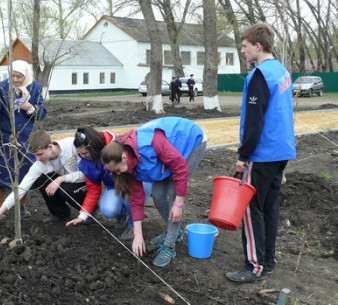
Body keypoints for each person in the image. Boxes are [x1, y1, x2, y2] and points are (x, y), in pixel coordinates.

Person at [225, 23, 295, 283]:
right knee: (269, 207)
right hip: (282, 149)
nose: (242, 50)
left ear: (258, 46)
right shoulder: (281, 71)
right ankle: (269, 260)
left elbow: (255, 121)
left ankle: (255, 266)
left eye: (244, 46)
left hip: (263, 153)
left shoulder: (259, 75)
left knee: (250, 207)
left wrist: (244, 156)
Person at [102, 117, 207, 267]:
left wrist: (178, 203)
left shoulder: (150, 144)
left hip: (191, 141)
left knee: (173, 194)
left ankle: (169, 245)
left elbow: (180, 168)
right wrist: (138, 236)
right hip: (167, 153)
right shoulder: (128, 164)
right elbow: (137, 199)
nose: (117, 174)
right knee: (157, 195)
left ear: (124, 157)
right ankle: (173, 231)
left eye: (117, 170)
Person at [0, 130, 86, 229]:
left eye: (40, 154)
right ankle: (61, 214)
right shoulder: (40, 164)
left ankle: (89, 211)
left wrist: (61, 179)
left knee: (65, 188)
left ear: (50, 147)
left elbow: (87, 175)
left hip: (85, 184)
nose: (37, 159)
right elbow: (21, 189)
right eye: (35, 155)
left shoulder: (72, 146)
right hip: (67, 182)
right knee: (41, 178)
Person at [0, 60, 47, 218]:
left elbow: (42, 114)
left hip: (26, 136)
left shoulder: (36, 88)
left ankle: (21, 206)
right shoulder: (1, 87)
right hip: (4, 135)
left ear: (25, 76)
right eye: (13, 76)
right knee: (0, 169)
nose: (16, 80)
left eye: (19, 76)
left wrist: (30, 108)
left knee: (25, 171)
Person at [66, 127, 152, 241]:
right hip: (114, 185)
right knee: (108, 210)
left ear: (93, 147)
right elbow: (93, 190)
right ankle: (123, 214)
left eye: (85, 153)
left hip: (136, 180)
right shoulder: (88, 162)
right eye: (80, 154)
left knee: (129, 195)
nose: (83, 156)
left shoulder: (117, 144)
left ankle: (133, 224)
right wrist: (82, 216)